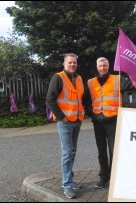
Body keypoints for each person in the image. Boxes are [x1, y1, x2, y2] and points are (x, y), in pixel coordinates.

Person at [86, 57, 135, 189]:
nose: (103, 68)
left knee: (114, 151)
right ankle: (104, 177)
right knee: (101, 151)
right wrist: (91, 113)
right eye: (100, 66)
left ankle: (114, 177)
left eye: (105, 65)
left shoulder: (117, 79)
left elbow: (135, 84)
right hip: (98, 122)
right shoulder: (90, 82)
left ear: (108, 66)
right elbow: (86, 99)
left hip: (113, 120)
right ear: (97, 67)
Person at [46, 53, 85, 199]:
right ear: (64, 64)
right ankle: (67, 185)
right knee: (67, 153)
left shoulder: (79, 78)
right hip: (66, 122)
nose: (72, 65)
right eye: (70, 62)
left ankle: (70, 179)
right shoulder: (59, 77)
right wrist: (62, 117)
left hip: (77, 120)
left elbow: (81, 97)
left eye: (74, 62)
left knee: (72, 151)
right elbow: (50, 99)